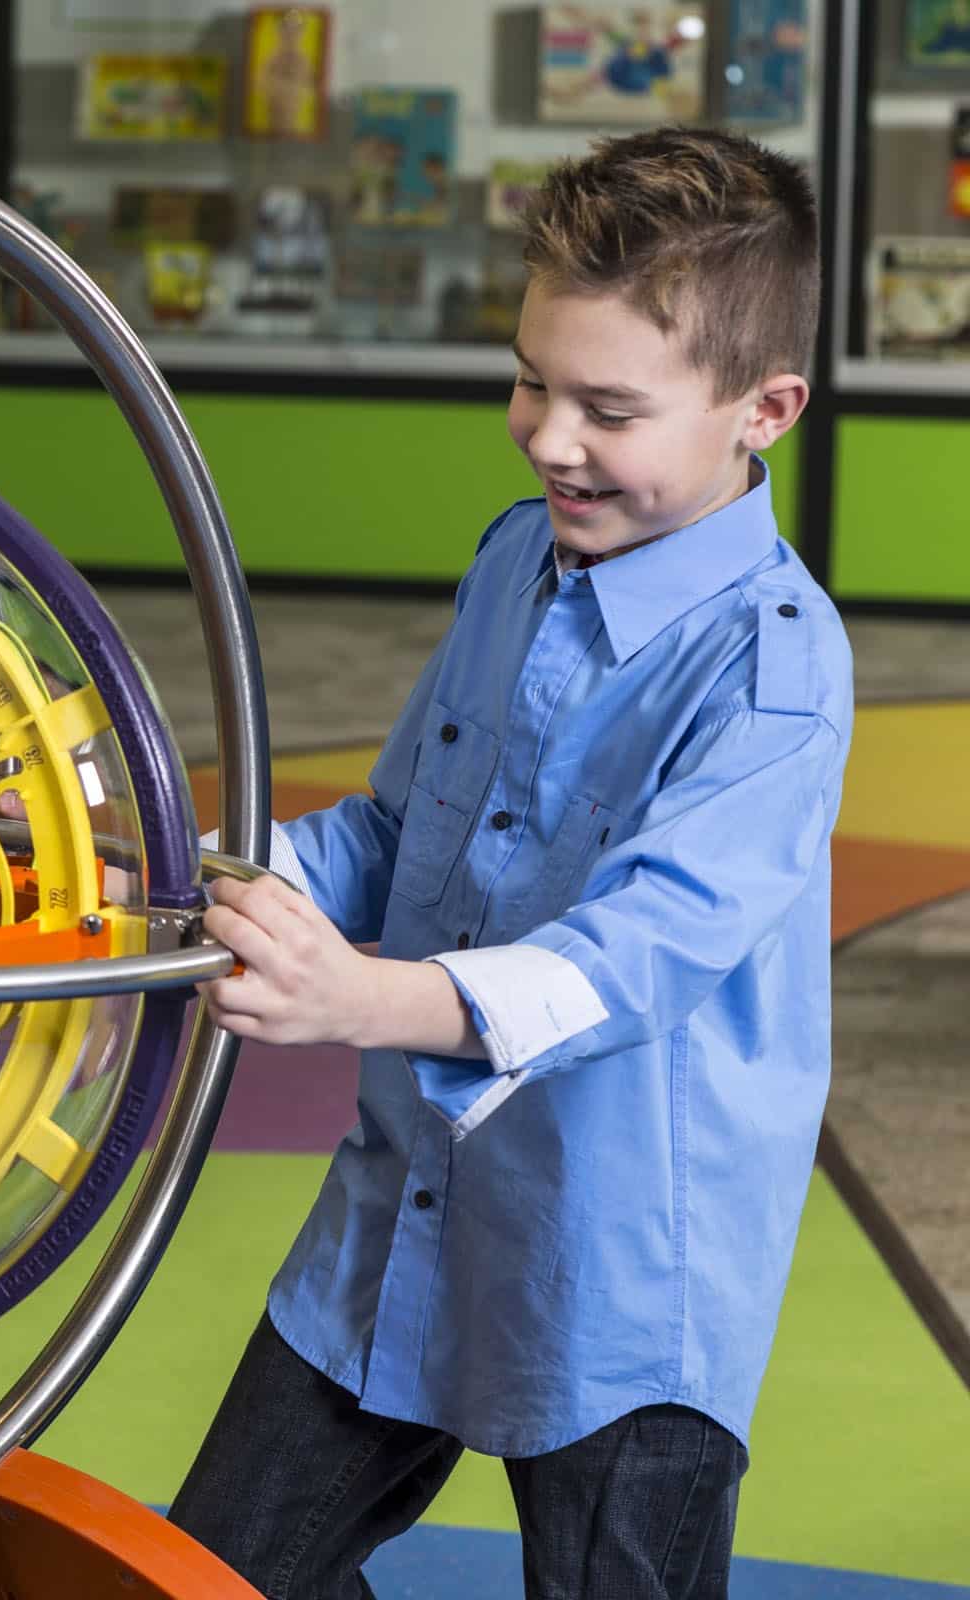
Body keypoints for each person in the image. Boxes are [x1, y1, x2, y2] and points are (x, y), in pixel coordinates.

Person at [170, 126, 851, 1598]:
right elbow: (391, 833)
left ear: (765, 410)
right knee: (209, 1575)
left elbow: (627, 966)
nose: (550, 437)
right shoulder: (514, 560)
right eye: (534, 380)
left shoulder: (774, 676)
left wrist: (355, 1001)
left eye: (609, 407)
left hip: (623, 1280)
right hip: (402, 1215)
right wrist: (192, 877)